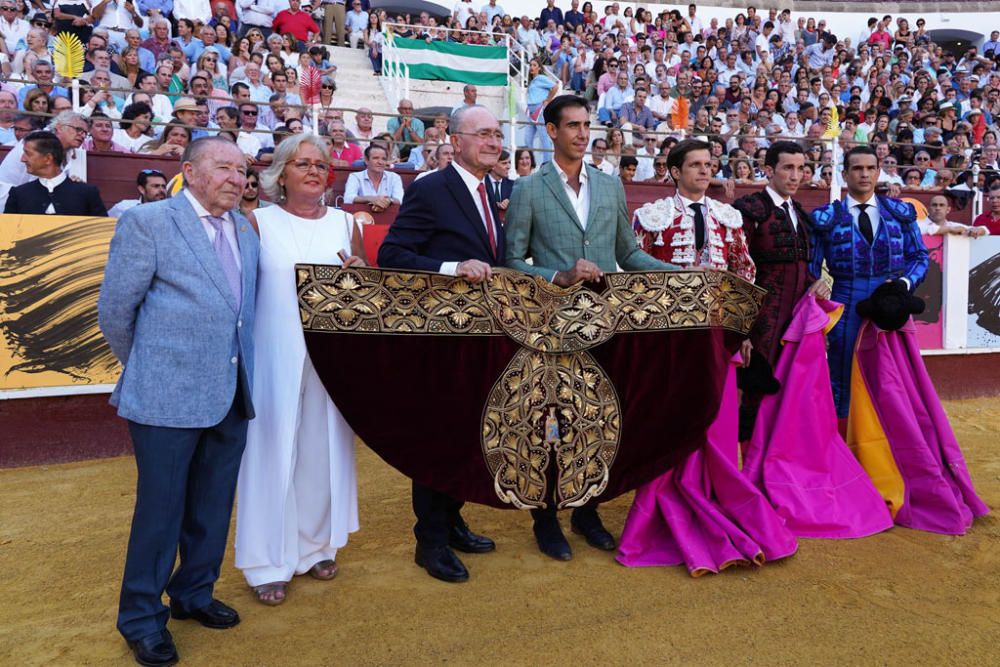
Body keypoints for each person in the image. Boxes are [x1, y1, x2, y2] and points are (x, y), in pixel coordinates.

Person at [98, 137, 257, 667]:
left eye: (243, 169)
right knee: (160, 514)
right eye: (224, 168)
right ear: (189, 171)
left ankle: (194, 594)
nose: (237, 178)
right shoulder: (149, 222)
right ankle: (142, 619)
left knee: (212, 508)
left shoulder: (245, 229)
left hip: (231, 394)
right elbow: (116, 313)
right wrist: (151, 368)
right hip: (165, 397)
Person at [504, 95, 677, 561]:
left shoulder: (609, 186)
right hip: (550, 321)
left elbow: (630, 253)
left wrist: (678, 273)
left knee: (598, 415)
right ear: (551, 131)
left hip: (602, 319)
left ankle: (586, 509)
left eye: (587, 125)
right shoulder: (528, 188)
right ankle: (545, 517)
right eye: (574, 125)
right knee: (548, 419)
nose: (583, 134)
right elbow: (512, 262)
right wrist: (557, 276)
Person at [235, 133, 365, 606]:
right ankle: (266, 562)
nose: (313, 170)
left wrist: (358, 272)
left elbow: (362, 286)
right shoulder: (256, 222)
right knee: (270, 452)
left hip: (332, 359)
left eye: (321, 163)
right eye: (302, 163)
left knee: (323, 449)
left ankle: (314, 548)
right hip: (273, 355)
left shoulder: (346, 222)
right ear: (281, 174)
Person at [377, 104, 503, 584]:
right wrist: (452, 269)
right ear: (455, 139)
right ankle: (429, 541)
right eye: (483, 134)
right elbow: (392, 254)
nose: (493, 142)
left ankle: (451, 521)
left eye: (496, 135)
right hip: (441, 338)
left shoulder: (488, 191)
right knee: (439, 437)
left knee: (469, 435)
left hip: (478, 336)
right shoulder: (431, 187)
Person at [810, 145, 928, 418]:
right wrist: (818, 303)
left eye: (870, 168)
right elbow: (811, 268)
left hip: (893, 302)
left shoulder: (900, 212)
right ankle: (844, 450)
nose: (864, 174)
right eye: (857, 168)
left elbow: (920, 256)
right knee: (841, 376)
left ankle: (891, 450)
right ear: (845, 174)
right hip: (845, 302)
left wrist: (904, 285)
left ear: (878, 172)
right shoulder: (827, 217)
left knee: (893, 378)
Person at [732, 141, 830, 434]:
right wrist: (741, 332)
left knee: (786, 396)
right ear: (768, 170)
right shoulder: (750, 210)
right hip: (759, 324)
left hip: (791, 324)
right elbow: (735, 272)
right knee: (751, 396)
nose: (796, 176)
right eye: (788, 168)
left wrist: (817, 284)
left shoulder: (799, 214)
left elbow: (797, 266)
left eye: (801, 169)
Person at [633, 138, 755, 283]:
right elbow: (637, 270)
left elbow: (745, 269)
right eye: (695, 165)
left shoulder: (727, 216)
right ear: (676, 172)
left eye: (708, 165)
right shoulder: (651, 215)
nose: (704, 171)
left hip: (716, 303)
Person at [3, 130, 107, 216]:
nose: (22, 159)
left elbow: (101, 233)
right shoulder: (18, 194)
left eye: (28, 154)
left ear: (48, 158)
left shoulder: (87, 193)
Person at [342, 143, 404, 211]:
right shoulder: (355, 177)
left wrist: (389, 200)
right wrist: (370, 199)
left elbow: (400, 200)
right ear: (366, 160)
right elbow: (348, 199)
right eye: (376, 158)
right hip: (362, 216)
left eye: (383, 159)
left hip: (388, 216)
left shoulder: (394, 177)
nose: (380, 162)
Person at [922, 194, 990, 237]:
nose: (938, 208)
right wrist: (950, 229)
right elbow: (927, 229)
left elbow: (986, 230)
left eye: (941, 205)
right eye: (934, 205)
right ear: (928, 209)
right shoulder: (918, 224)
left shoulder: (953, 225)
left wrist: (978, 230)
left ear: (948, 210)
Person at [486, 149, 514, 215]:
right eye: (504, 163)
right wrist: (494, 204)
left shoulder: (513, 185)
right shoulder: (481, 184)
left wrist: (511, 202)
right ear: (492, 166)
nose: (508, 167)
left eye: (509, 162)